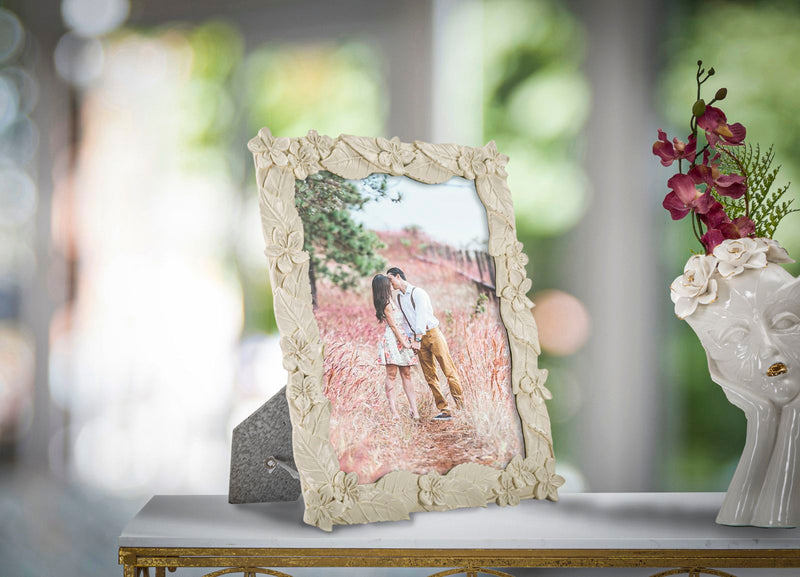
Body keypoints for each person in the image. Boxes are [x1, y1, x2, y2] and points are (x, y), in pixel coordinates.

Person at [386, 267, 463, 420]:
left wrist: (417, 339)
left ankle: (461, 407)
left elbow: (421, 317)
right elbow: (407, 322)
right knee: (430, 375)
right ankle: (444, 410)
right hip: (417, 338)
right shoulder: (399, 298)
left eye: (390, 279)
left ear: (398, 276)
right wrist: (411, 339)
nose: (390, 284)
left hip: (432, 334)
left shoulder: (418, 293)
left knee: (448, 370)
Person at [372, 274, 420, 420]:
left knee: (407, 374)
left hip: (401, 336)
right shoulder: (386, 303)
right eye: (388, 282)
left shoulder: (391, 300)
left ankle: (414, 410)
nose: (391, 284)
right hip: (393, 340)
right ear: (383, 286)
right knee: (391, 375)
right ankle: (394, 411)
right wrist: (405, 343)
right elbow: (393, 326)